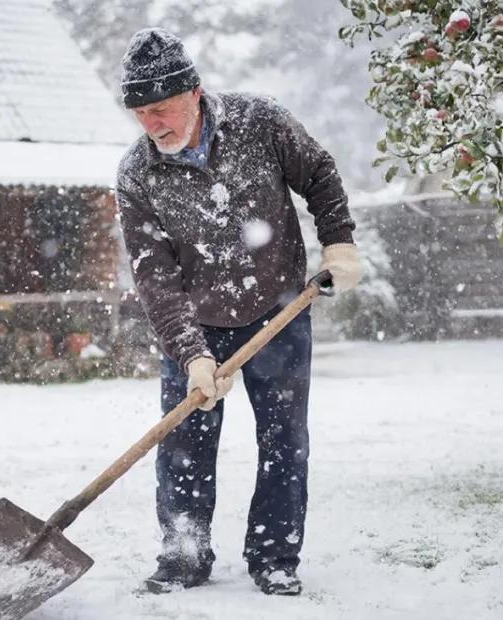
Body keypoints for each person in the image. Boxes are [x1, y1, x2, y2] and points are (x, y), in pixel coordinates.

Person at [114, 27, 362, 596]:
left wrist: (339, 244)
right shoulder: (138, 175)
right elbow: (156, 279)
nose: (154, 124)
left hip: (278, 311)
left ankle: (274, 557)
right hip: (194, 327)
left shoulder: (261, 123)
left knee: (283, 441)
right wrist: (193, 355)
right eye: (140, 113)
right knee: (183, 447)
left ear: (194, 92)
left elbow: (320, 175)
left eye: (162, 108)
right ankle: (184, 555)